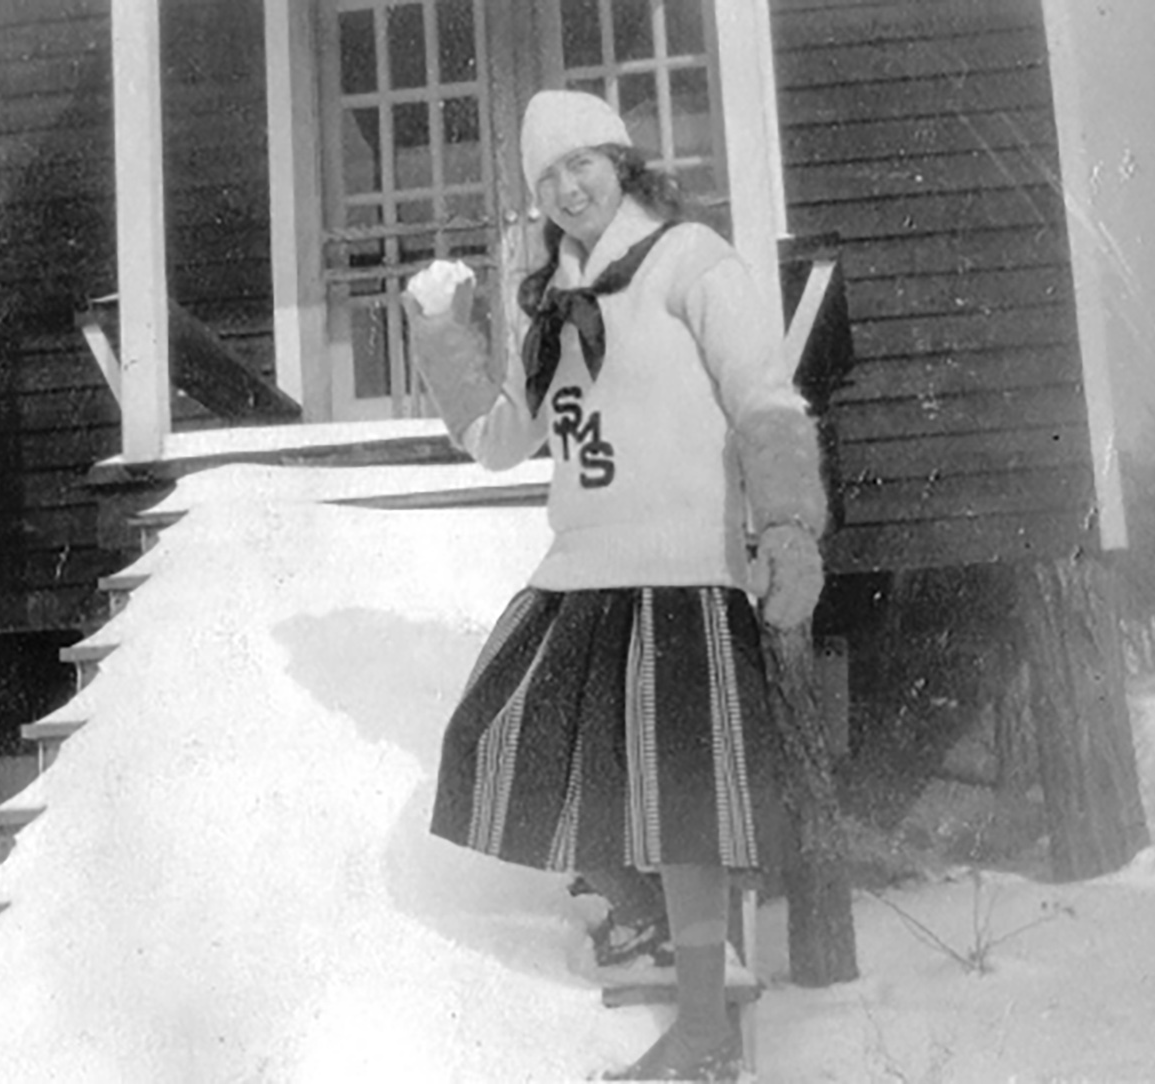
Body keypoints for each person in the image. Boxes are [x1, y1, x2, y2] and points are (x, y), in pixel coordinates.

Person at [404, 89, 827, 1082]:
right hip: (585, 578)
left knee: (685, 805)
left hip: (682, 571)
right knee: (497, 739)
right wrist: (441, 335)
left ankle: (702, 1033)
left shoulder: (691, 261)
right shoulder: (554, 303)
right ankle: (636, 916)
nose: (567, 188)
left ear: (623, 163)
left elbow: (764, 400)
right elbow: (503, 440)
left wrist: (789, 529)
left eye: (581, 164)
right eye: (547, 178)